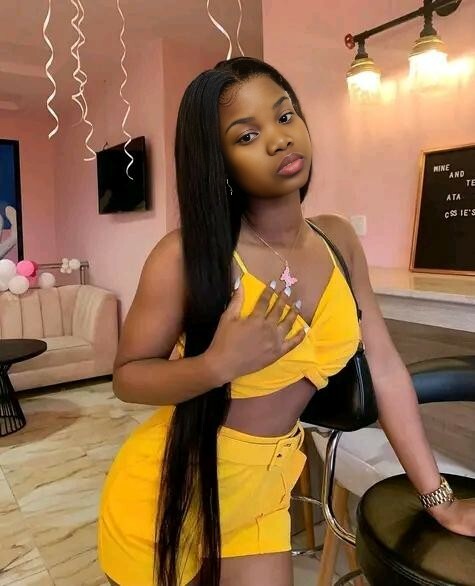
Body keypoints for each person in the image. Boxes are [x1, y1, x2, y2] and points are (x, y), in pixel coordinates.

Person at [98, 57, 475, 586]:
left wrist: (439, 499)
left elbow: (387, 370)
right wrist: (214, 365)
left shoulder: (338, 240)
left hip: (265, 494)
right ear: (217, 161)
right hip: (174, 491)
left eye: (285, 115)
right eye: (247, 135)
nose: (279, 139)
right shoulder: (186, 256)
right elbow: (128, 376)